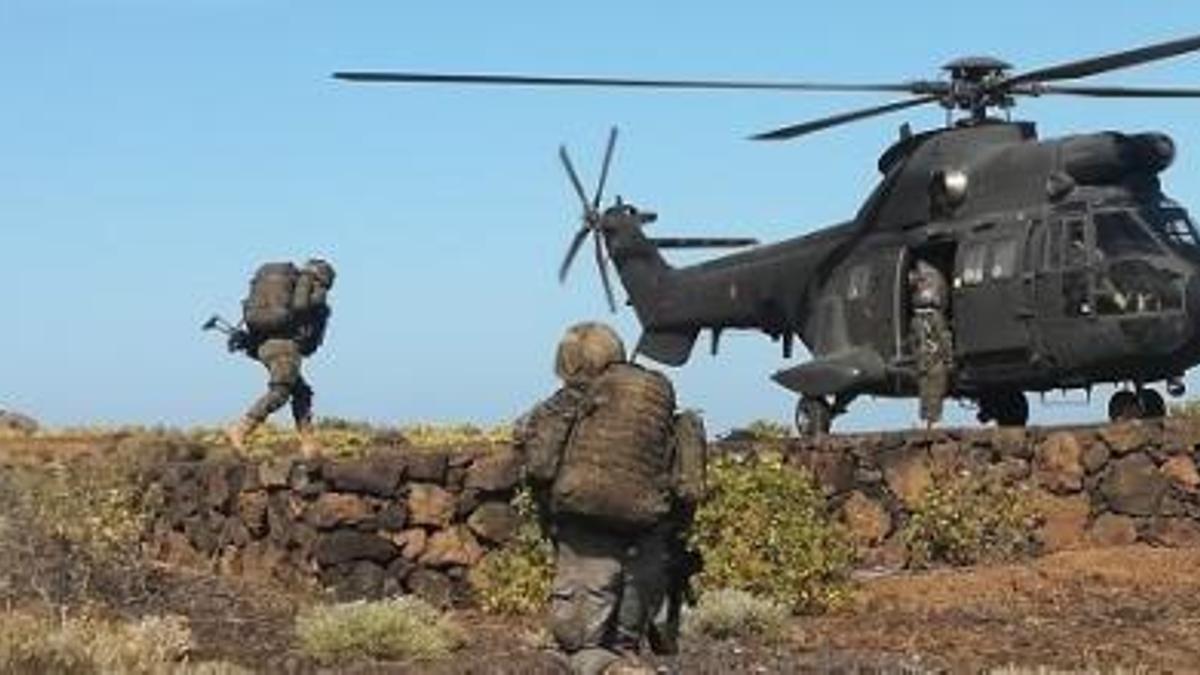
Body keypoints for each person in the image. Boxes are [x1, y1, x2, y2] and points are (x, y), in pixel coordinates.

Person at [514, 322, 707, 675]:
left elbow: (540, 466)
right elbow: (686, 486)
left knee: (576, 645)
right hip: (647, 535)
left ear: (569, 363)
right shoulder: (655, 402)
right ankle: (624, 663)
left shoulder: (570, 402)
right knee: (624, 643)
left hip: (584, 530)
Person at [225, 258, 335, 457]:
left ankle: (309, 444)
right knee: (281, 391)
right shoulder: (312, 289)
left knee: (301, 392)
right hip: (285, 347)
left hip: (263, 345)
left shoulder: (288, 288)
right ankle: (241, 429)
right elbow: (305, 308)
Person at [909, 259, 952, 426]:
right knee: (936, 387)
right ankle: (932, 419)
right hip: (934, 360)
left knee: (925, 389)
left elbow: (913, 342)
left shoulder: (916, 320)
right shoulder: (936, 318)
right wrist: (949, 359)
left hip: (923, 360)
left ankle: (927, 420)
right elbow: (944, 338)